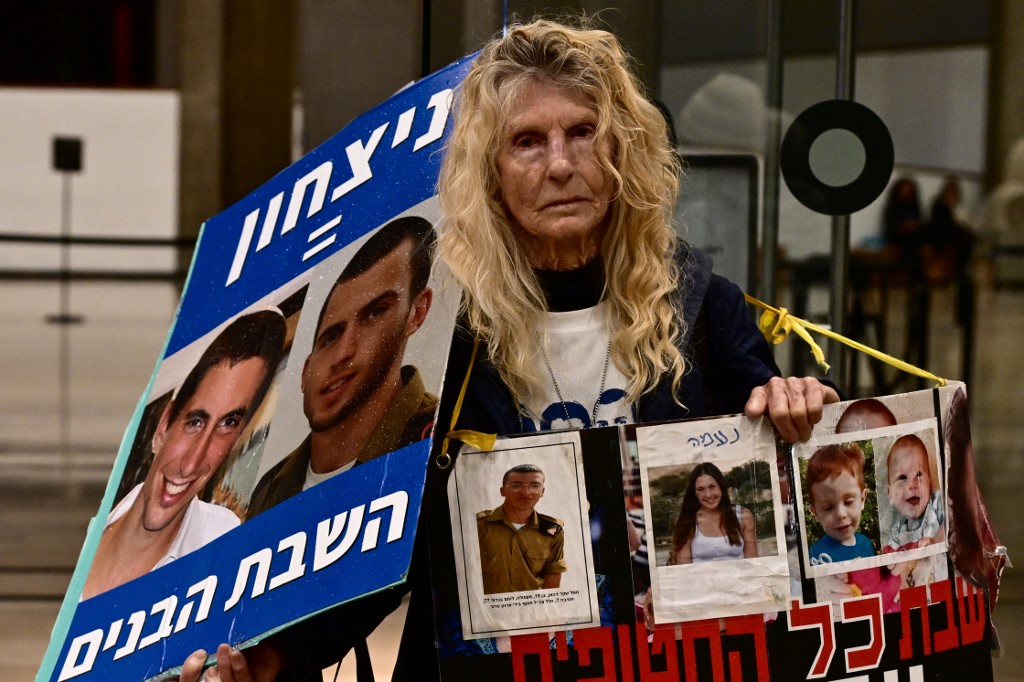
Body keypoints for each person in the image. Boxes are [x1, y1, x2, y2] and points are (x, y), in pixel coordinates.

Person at [179, 17, 839, 682]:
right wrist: (272, 658)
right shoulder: (449, 336)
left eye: (583, 132)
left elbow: (775, 481)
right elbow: (383, 543)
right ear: (489, 174)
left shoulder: (702, 305)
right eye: (527, 142)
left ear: (621, 149)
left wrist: (796, 408)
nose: (561, 164)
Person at [82, 310, 285, 600]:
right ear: (163, 427)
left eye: (227, 424)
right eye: (194, 422)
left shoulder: (219, 545)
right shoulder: (85, 527)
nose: (191, 464)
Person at [246, 216, 438, 517]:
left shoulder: (437, 437)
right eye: (330, 337)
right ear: (305, 371)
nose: (343, 353)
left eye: (375, 312)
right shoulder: (269, 489)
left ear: (417, 312)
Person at [476, 464, 566, 594]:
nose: (526, 492)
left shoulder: (553, 530)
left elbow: (552, 577)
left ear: (542, 491)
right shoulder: (479, 524)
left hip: (532, 606)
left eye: (534, 486)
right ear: (502, 491)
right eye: (516, 485)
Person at [670, 462, 757, 564]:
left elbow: (753, 563)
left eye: (712, 486)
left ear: (721, 486)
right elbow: (684, 568)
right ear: (694, 493)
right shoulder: (688, 520)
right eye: (701, 489)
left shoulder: (743, 516)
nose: (708, 494)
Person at [805, 443, 874, 565]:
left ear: (862, 499)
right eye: (828, 507)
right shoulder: (815, 557)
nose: (840, 514)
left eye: (848, 502)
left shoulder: (866, 545)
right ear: (815, 512)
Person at [884, 434, 944, 552]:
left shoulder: (937, 503)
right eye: (902, 477)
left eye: (919, 474)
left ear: (929, 483)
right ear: (890, 493)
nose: (912, 484)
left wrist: (936, 541)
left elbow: (955, 519)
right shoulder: (896, 534)